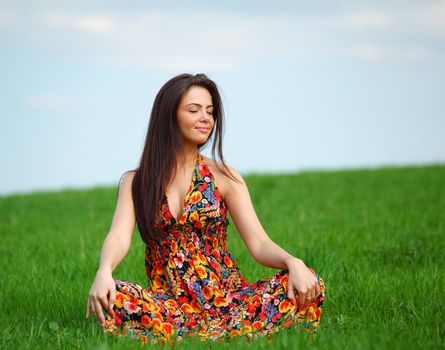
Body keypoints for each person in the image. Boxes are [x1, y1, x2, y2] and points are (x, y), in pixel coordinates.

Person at [85, 73, 325, 346]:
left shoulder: (224, 176)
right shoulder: (136, 181)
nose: (205, 118)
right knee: (113, 295)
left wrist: (293, 262)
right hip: (168, 305)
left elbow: (259, 243)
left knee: (310, 283)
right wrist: (104, 270)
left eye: (210, 112)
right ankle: (221, 336)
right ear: (169, 115)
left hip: (229, 301)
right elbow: (118, 237)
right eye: (194, 110)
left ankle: (204, 334)